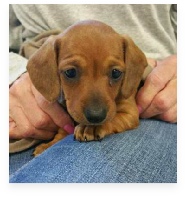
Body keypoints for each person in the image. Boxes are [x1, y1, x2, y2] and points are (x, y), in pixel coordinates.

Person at [9, 4, 177, 182]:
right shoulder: (50, 59)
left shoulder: (128, 75)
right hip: (24, 98)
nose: (95, 110)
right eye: (71, 73)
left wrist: (105, 126)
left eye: (115, 73)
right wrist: (12, 72)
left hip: (164, 98)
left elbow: (129, 115)